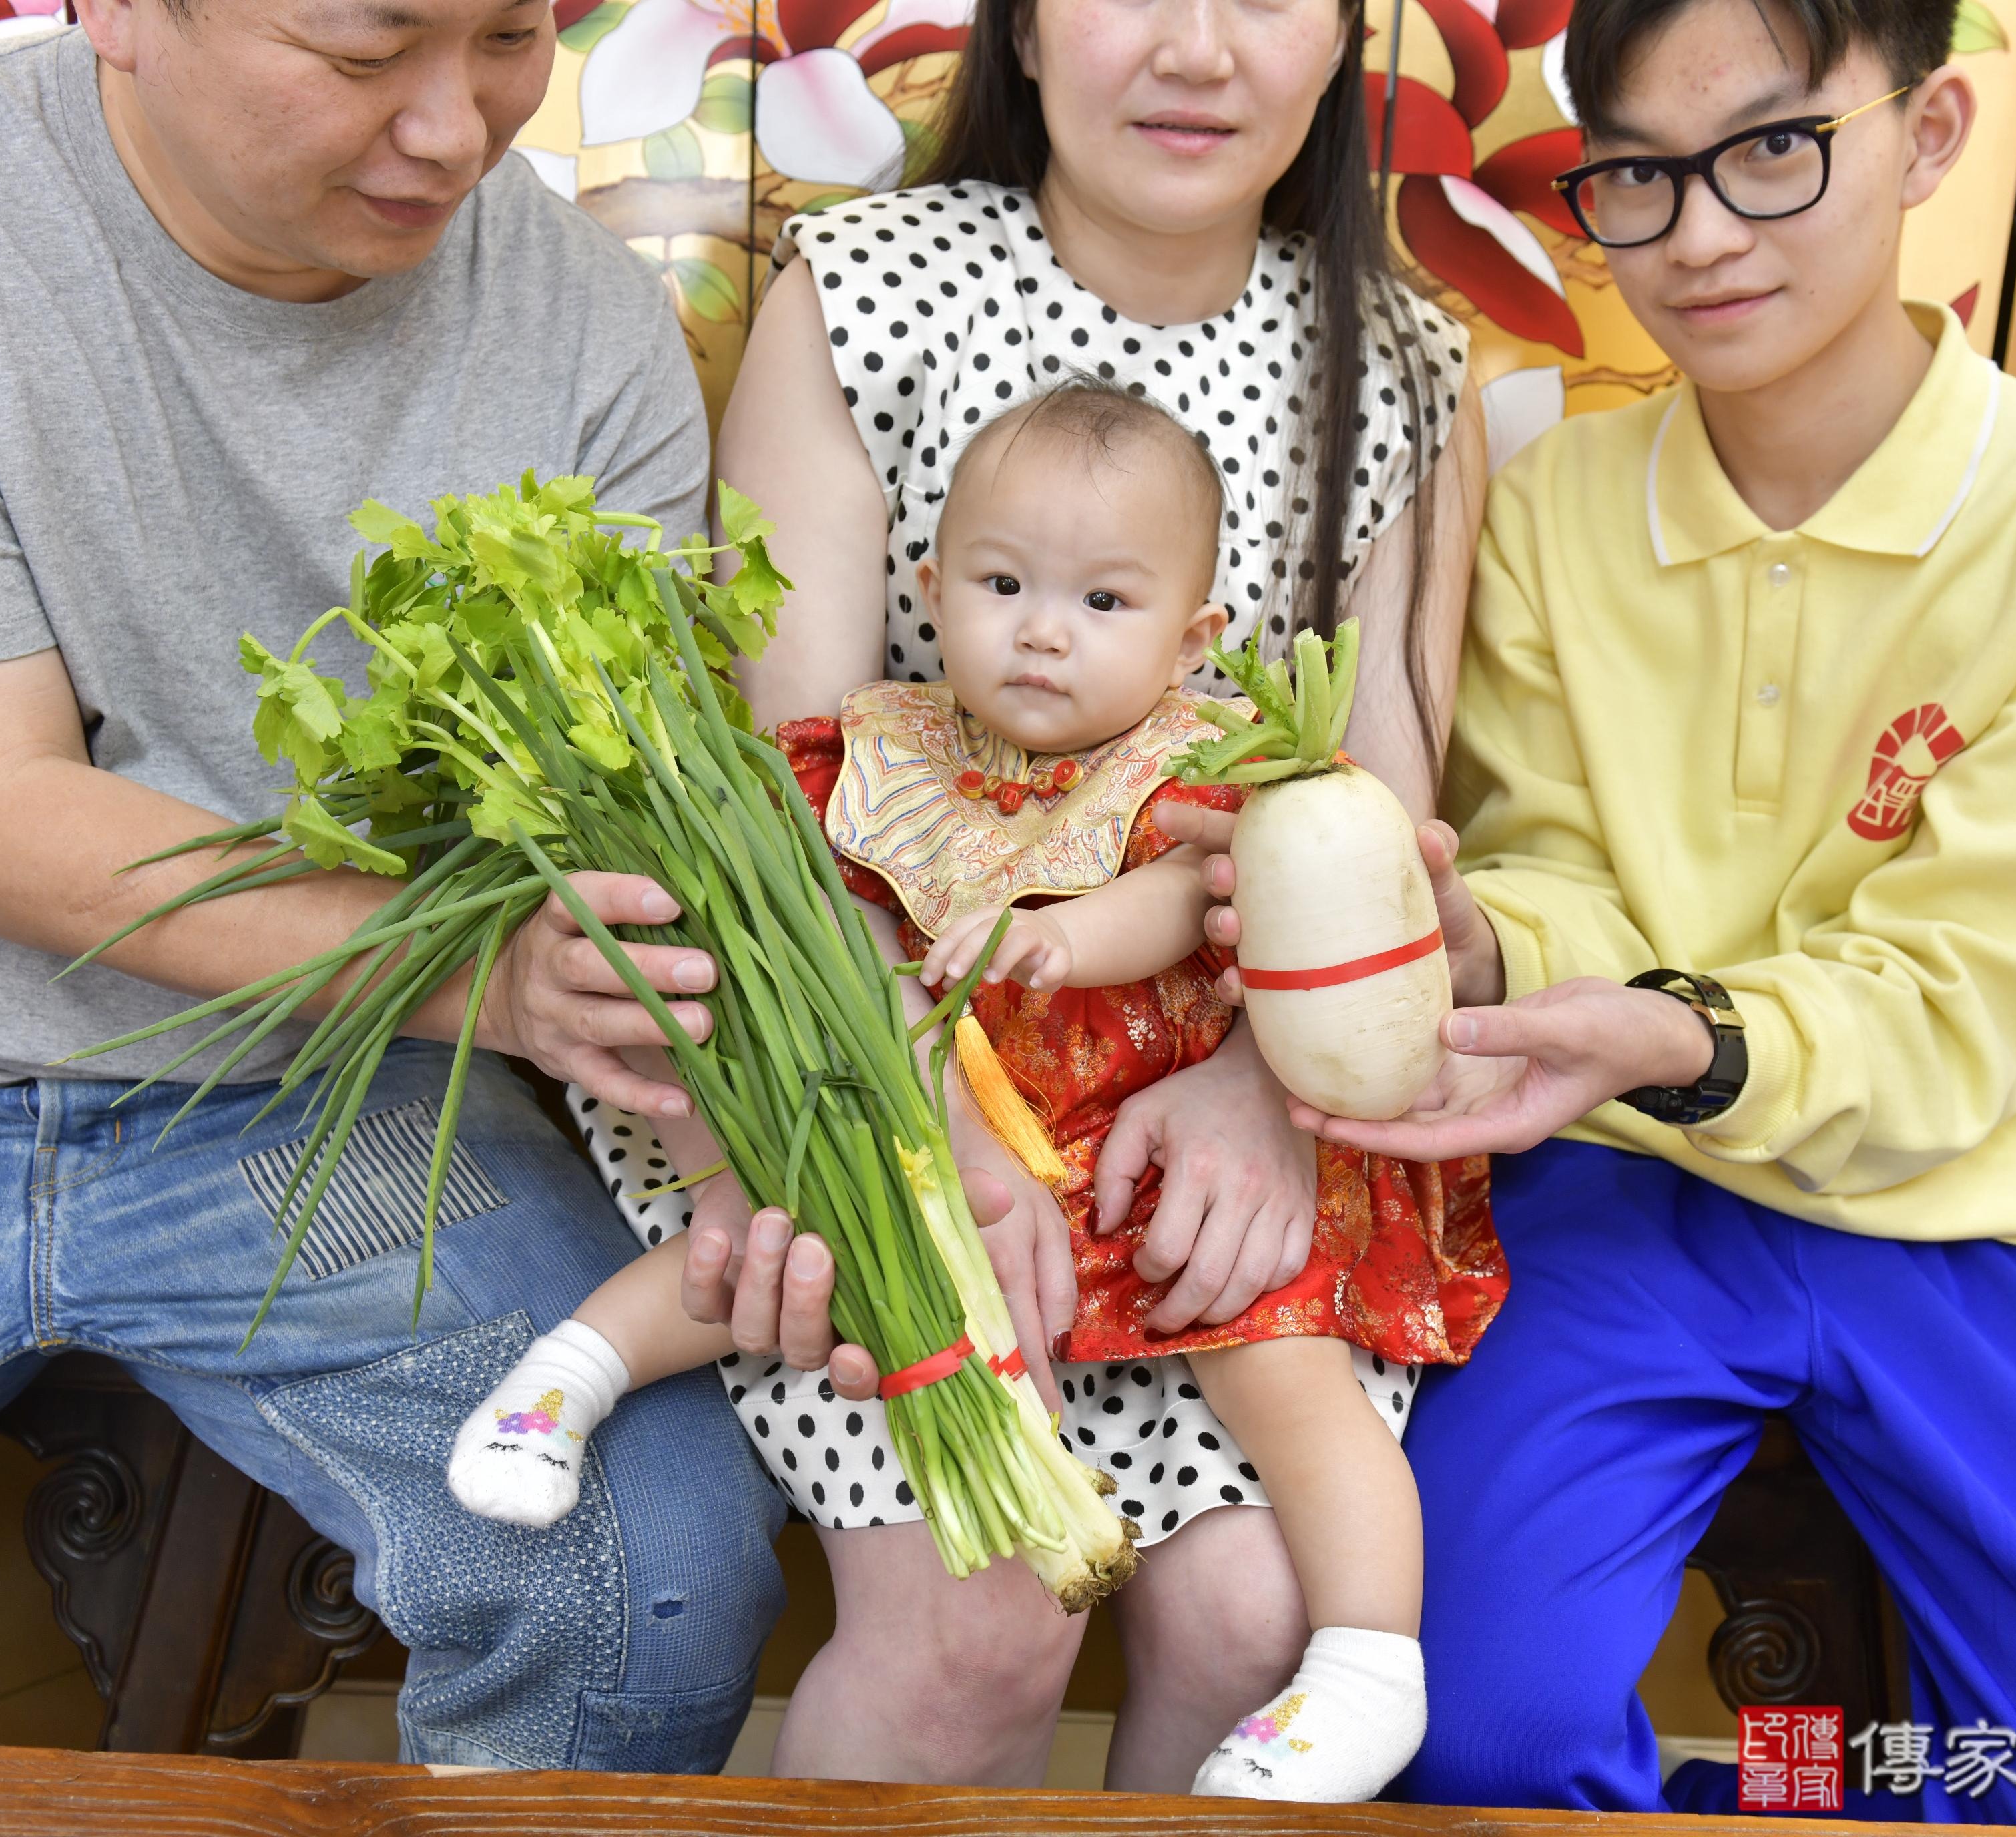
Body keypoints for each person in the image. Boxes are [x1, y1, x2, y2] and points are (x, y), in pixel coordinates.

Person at [1176, 0, 2016, 1824]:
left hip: (1965, 1214)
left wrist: (1690, 1037)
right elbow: (1550, 868)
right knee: (1472, 1742)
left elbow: (1963, 997)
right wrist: (1474, 953)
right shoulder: (1551, 508)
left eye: (1774, 150)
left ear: (1927, 135)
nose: (1698, 234)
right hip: (1617, 1187)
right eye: (1637, 176)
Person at [0, 0, 789, 1766]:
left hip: (323, 1113)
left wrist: (761, 1161)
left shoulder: (576, 320)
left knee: (655, 1584)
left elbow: (641, 842)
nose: (453, 127)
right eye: (365, 51)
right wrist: (474, 983)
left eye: (509, 38)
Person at [585, 0, 1489, 1788]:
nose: (1197, 50)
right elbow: (791, 818)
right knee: (979, 1623)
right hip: (878, 1048)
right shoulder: (869, 289)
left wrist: (1266, 1091)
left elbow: (1377, 827)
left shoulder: (1399, 363)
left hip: (1211, 1094)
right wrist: (940, 1130)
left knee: (1249, 1614)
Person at [449, 384, 1505, 1803]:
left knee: (1282, 1353)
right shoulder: (883, 749)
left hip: (1147, 1140)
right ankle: (556, 1387)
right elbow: (820, 907)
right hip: (930, 1121)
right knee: (785, 1236)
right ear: (931, 585)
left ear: (1192, 636)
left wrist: (1061, 936)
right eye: (1001, 584)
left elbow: (1186, 898)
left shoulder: (1204, 759)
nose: (1043, 627)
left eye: (1104, 599)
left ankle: (1372, 1652)